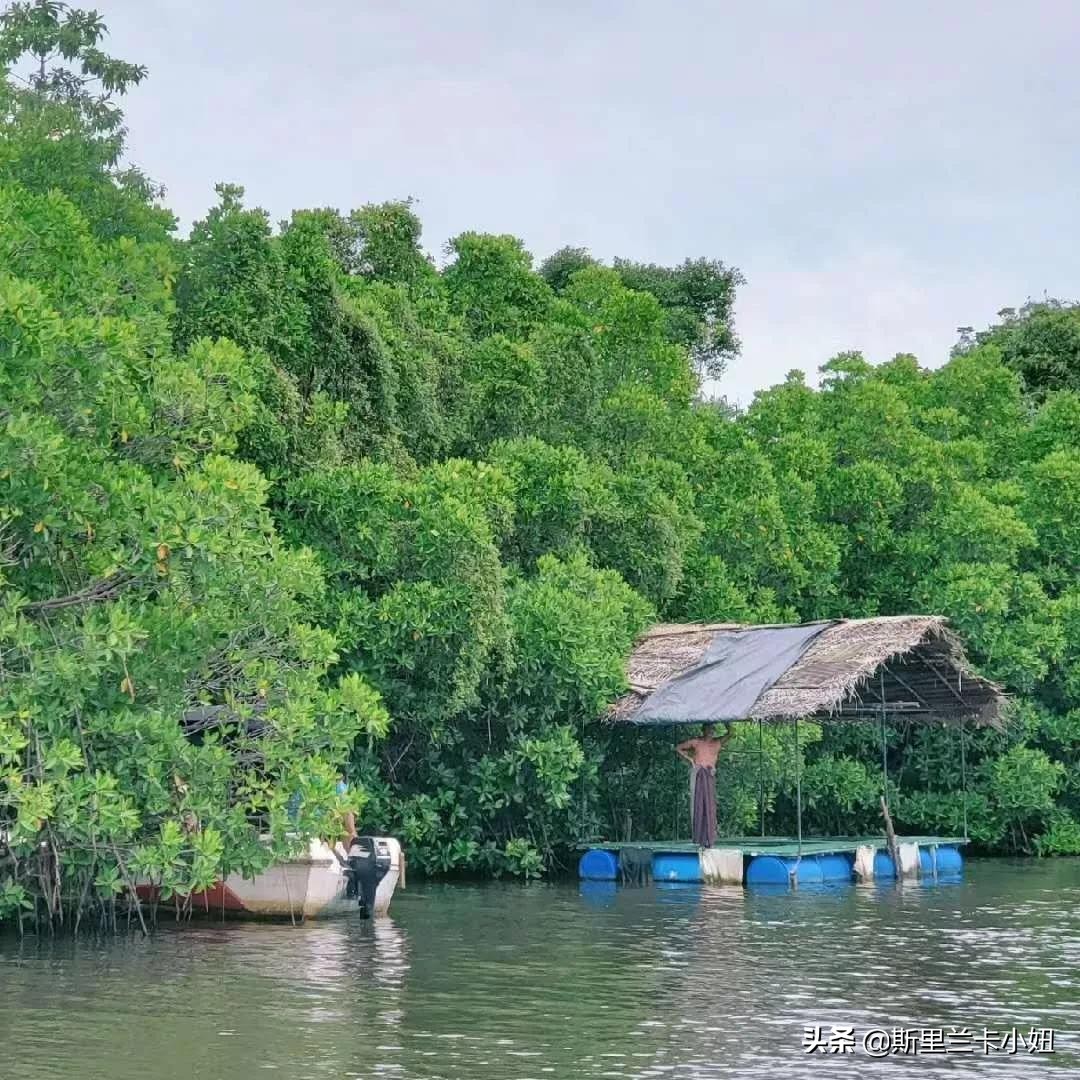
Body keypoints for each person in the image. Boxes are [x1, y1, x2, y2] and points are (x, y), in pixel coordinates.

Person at [676, 722, 734, 849]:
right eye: (708, 729)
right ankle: (698, 837)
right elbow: (678, 748)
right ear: (703, 730)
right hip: (698, 773)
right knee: (698, 804)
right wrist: (689, 760)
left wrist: (726, 721)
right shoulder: (696, 742)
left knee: (710, 806)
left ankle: (710, 838)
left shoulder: (717, 743)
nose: (710, 731)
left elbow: (731, 733)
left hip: (709, 774)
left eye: (712, 729)